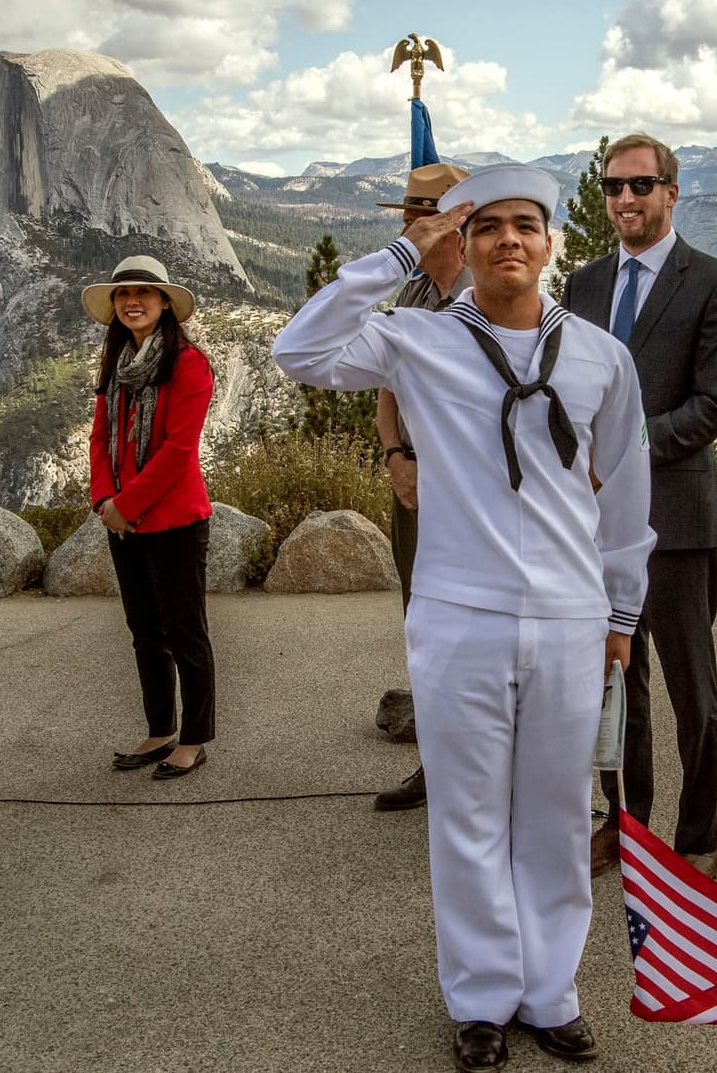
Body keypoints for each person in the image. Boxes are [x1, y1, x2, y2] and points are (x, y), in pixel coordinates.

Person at [274, 165, 655, 1071]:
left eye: (527, 224)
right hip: (458, 614)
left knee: (557, 815)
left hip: (569, 615)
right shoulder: (419, 340)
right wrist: (407, 249)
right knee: (469, 816)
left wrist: (623, 609)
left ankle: (551, 990)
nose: (508, 240)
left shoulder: (603, 356)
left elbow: (628, 493)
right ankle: (482, 996)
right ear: (465, 243)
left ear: (552, 242)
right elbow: (301, 350)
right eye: (488, 228)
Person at [562, 132, 717, 880]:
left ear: (672, 191)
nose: (625, 199)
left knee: (691, 692)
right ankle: (626, 823)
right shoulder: (581, 286)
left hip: (674, 519)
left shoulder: (714, 283)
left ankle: (700, 836)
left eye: (641, 185)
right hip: (594, 526)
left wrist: (621, 451)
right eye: (612, 186)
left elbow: (716, 405)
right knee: (616, 686)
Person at [82, 255, 217, 780]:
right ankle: (159, 729)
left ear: (165, 303)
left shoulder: (189, 363)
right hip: (123, 521)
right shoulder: (115, 364)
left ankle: (196, 737)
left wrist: (125, 505)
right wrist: (103, 501)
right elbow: (99, 438)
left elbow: (179, 448)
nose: (132, 301)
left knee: (185, 631)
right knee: (144, 631)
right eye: (122, 294)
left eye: (144, 292)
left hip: (175, 521)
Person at [372, 162, 470, 813]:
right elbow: (387, 385)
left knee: (475, 629)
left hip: (466, 492)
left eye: (420, 217)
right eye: (408, 216)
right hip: (412, 484)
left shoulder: (484, 294)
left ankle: (483, 771)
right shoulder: (412, 298)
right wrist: (396, 455)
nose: (409, 228)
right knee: (425, 628)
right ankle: (435, 763)